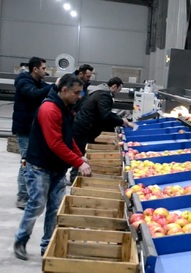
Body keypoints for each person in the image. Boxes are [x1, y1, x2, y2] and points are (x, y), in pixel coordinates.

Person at [13, 74, 92, 261]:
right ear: (63, 90)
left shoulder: (65, 108)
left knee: (55, 209)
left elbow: (67, 138)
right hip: (40, 166)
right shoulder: (49, 109)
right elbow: (55, 143)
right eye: (76, 92)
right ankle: (20, 240)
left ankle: (47, 245)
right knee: (36, 205)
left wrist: (78, 154)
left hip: (57, 168)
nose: (79, 96)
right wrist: (78, 162)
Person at [11, 57, 57, 210]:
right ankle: (23, 196)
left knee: (33, 161)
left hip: (35, 129)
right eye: (43, 68)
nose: (46, 71)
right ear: (35, 69)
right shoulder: (24, 82)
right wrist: (54, 86)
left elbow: (47, 90)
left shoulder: (39, 83)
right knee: (26, 161)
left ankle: (31, 193)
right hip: (24, 129)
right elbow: (34, 94)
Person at [70, 77, 134, 183]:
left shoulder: (97, 91)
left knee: (81, 152)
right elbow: (105, 115)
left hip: (83, 126)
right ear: (114, 86)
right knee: (80, 153)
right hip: (84, 128)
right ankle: (75, 178)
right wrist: (122, 122)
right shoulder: (104, 95)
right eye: (119, 89)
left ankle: (78, 177)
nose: (118, 92)